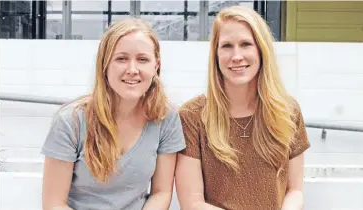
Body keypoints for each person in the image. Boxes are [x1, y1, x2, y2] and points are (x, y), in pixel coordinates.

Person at [41, 18, 186, 210]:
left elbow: (161, 192)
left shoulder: (167, 117)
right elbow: (53, 204)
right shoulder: (71, 121)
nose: (132, 70)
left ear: (156, 66)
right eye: (121, 59)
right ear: (105, 65)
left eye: (142, 59)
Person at [175, 6, 310, 210]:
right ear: (216, 54)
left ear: (261, 49)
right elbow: (192, 203)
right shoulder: (192, 116)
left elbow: (295, 191)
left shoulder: (288, 111)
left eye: (246, 44)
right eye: (227, 46)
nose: (236, 56)